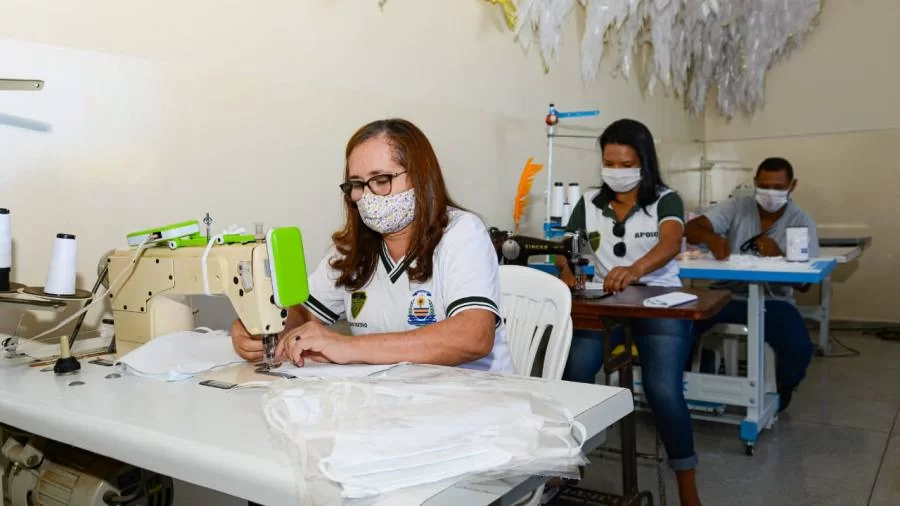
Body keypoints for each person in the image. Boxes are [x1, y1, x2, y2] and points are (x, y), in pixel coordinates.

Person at [231, 118, 513, 373]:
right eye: (356, 184)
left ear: (419, 176)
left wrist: (347, 348)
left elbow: (474, 335)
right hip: (395, 404)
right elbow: (303, 311)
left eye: (380, 180)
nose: (366, 196)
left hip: (475, 404)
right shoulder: (351, 251)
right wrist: (264, 327)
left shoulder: (461, 233)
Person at [557, 119, 702, 506]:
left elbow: (671, 242)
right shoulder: (589, 203)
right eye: (610, 163)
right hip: (606, 303)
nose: (616, 172)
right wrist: (569, 274)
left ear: (644, 162)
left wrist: (636, 270)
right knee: (574, 373)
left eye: (626, 164)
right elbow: (565, 248)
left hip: (659, 302)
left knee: (663, 391)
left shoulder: (665, 200)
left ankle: (687, 483)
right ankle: (569, 466)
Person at [685, 157, 818, 411]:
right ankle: (684, 380)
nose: (771, 193)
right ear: (755, 183)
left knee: (798, 348)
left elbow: (805, 285)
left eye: (779, 187)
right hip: (725, 295)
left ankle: (782, 387)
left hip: (773, 302)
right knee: (678, 328)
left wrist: (780, 254)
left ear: (793, 186)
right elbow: (692, 228)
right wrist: (711, 238)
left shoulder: (801, 222)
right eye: (764, 186)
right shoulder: (738, 207)